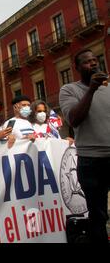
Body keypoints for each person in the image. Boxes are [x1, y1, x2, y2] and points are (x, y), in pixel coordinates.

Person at [59, 49, 110, 243]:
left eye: (95, 60)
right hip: (91, 161)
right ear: (77, 68)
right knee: (98, 216)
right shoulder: (69, 90)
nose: (93, 64)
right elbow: (74, 119)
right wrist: (91, 90)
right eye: (87, 62)